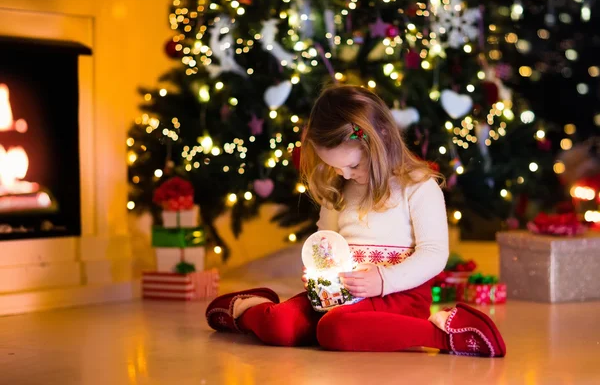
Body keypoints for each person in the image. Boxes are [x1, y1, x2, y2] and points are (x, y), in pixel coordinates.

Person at [205, 85, 506, 357]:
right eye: (335, 167)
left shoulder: (418, 186)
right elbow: (325, 243)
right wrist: (319, 275)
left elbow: (434, 254)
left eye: (352, 165)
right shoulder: (339, 189)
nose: (345, 174)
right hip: (340, 296)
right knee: (281, 325)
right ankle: (246, 309)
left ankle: (447, 333)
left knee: (336, 329)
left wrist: (383, 280)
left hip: (399, 297)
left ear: (380, 140)